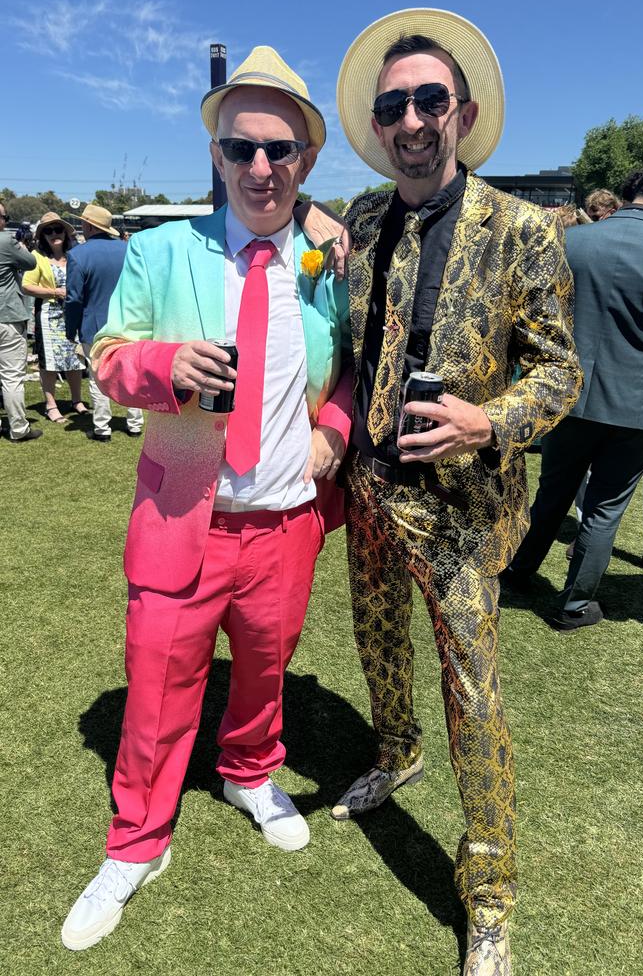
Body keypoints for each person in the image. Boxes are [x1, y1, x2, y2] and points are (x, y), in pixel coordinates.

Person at [61, 46, 352, 952]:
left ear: (304, 160)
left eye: (279, 150)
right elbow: (107, 359)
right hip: (184, 517)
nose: (259, 167)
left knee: (265, 670)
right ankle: (136, 842)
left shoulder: (326, 261)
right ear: (218, 156)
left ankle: (250, 770)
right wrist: (162, 367)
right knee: (154, 691)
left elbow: (353, 373)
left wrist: (333, 434)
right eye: (240, 148)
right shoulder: (158, 251)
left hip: (284, 522)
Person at [331, 9, 581, 975]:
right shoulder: (359, 218)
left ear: (462, 113)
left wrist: (488, 421)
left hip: (465, 513)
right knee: (375, 637)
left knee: (473, 692)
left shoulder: (523, 230)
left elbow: (561, 374)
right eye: (393, 104)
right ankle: (395, 751)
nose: (410, 118)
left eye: (429, 99)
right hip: (369, 489)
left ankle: (488, 898)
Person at [503, 166, 643, 628]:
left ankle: (519, 570)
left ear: (628, 193)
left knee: (552, 494)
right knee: (605, 509)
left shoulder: (575, 243)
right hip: (637, 407)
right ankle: (574, 603)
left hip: (569, 395)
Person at [64, 204, 143, 441]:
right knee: (131, 373)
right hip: (129, 322)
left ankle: (102, 427)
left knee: (98, 378)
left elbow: (74, 299)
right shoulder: (127, 249)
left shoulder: (78, 255)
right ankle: (135, 423)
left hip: (94, 325)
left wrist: (71, 329)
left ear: (88, 225)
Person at [21, 212, 87, 423]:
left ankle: (77, 400)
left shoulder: (75, 255)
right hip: (49, 316)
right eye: (48, 231)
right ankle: (51, 405)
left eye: (57, 229)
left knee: (75, 359)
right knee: (48, 362)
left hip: (74, 315)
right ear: (42, 236)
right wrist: (55, 292)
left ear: (65, 233)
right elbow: (26, 285)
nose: (53, 234)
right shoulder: (38, 257)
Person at [0, 200, 40, 442]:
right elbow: (31, 262)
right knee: (12, 376)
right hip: (7, 315)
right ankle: (18, 427)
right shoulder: (6, 240)